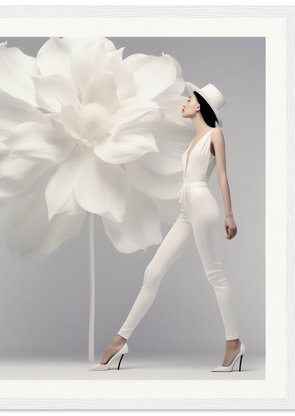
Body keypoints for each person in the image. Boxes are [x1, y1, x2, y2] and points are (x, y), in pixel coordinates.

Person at [89, 83, 245, 372]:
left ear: (200, 106)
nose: (184, 103)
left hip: (202, 203)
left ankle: (233, 343)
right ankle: (121, 340)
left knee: (215, 274)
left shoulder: (215, 134)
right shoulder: (192, 141)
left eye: (189, 99)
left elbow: (222, 175)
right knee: (153, 272)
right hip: (186, 207)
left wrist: (230, 213)